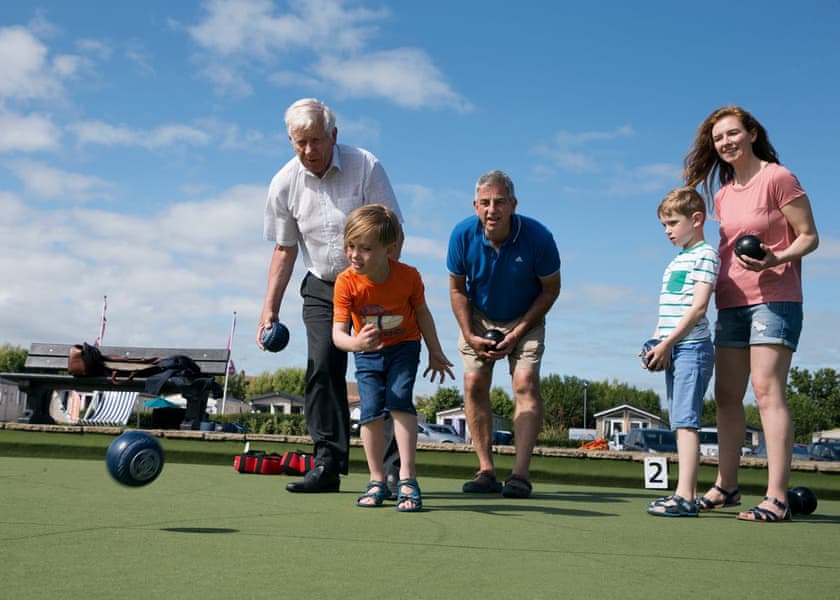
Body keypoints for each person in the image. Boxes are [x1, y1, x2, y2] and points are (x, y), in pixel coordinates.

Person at [258, 98, 403, 494]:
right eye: (300, 142)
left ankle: (392, 471)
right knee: (322, 368)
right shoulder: (284, 183)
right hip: (323, 287)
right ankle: (327, 464)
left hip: (373, 282)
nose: (310, 151)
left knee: (379, 372)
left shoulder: (365, 166)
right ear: (290, 141)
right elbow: (285, 250)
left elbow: (394, 232)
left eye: (317, 141)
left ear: (333, 136)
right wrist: (269, 310)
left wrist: (384, 285)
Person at [684, 105, 819, 522]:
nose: (725, 142)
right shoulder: (722, 195)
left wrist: (776, 257)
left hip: (774, 298)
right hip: (731, 301)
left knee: (766, 391)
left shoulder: (778, 178)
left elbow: (810, 237)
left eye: (732, 133)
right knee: (726, 395)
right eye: (718, 138)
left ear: (752, 134)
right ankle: (727, 486)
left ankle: (777, 497)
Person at [447, 170, 561, 498]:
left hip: (527, 315)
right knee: (474, 383)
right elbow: (457, 290)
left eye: (499, 202)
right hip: (479, 317)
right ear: (475, 206)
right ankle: (485, 471)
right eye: (485, 203)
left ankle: (520, 475)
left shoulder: (539, 237)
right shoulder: (462, 235)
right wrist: (469, 334)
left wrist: (518, 332)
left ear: (513, 204)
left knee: (524, 382)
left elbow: (551, 290)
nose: (491, 209)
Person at [332, 205, 454, 511]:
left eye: (365, 248)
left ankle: (407, 478)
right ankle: (376, 480)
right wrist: (356, 342)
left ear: (390, 249)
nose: (355, 255)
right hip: (366, 353)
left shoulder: (409, 276)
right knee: (370, 411)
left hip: (404, 346)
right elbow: (338, 334)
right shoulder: (346, 282)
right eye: (351, 246)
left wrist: (435, 351)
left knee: (399, 398)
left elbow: (423, 314)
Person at [643, 187, 719, 517]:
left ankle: (685, 497)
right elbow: (668, 311)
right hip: (673, 347)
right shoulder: (677, 261)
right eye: (663, 225)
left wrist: (668, 343)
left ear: (697, 219)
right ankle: (681, 494)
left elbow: (699, 308)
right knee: (678, 420)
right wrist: (654, 342)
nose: (667, 231)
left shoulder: (706, 255)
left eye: (673, 222)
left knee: (686, 422)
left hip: (692, 348)